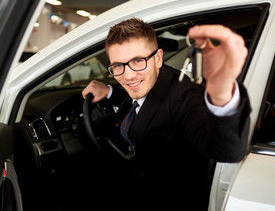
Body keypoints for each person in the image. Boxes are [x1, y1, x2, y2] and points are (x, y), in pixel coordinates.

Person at [82, 18, 251, 210]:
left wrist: (222, 96)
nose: (128, 76)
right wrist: (110, 92)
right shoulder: (157, 80)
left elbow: (226, 150)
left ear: (158, 58)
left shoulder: (184, 97)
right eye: (118, 66)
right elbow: (141, 102)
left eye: (138, 61)